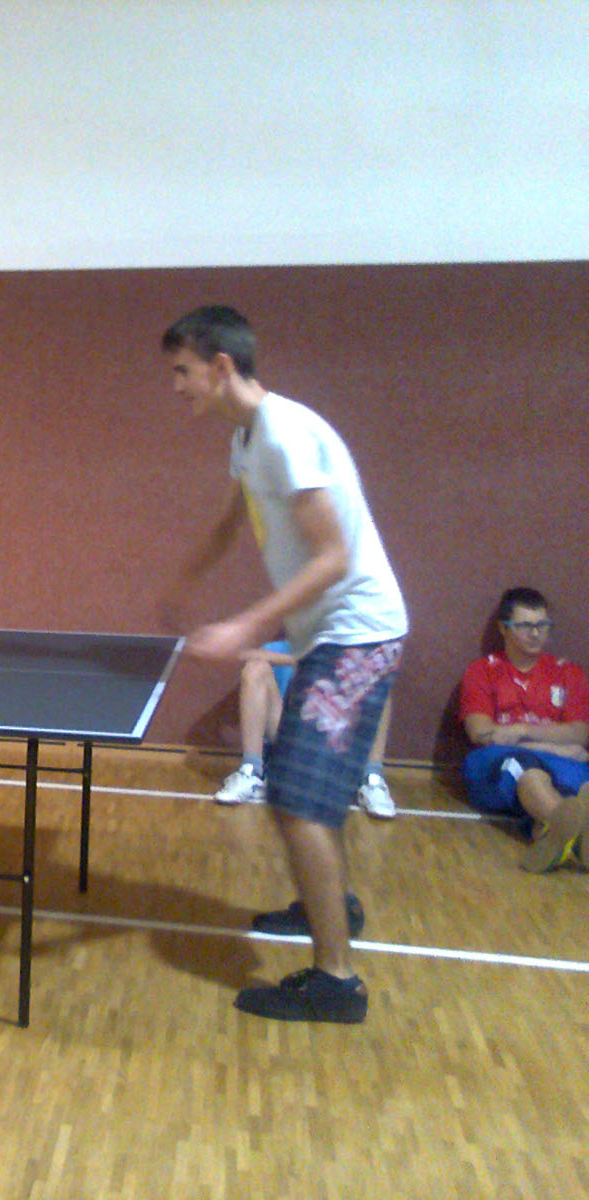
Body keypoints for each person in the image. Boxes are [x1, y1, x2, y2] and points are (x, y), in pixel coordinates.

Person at [164, 305, 407, 1024]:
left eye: (182, 371)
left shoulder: (285, 435)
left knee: (298, 800)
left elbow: (333, 557)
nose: (176, 386)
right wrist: (182, 581)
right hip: (332, 637)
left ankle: (336, 982)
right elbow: (230, 523)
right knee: (302, 796)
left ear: (221, 366)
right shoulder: (248, 440)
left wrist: (247, 623)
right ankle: (328, 904)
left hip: (357, 638)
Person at [458, 586, 589, 872]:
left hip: (557, 762)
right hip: (497, 765)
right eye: (525, 626)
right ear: (503, 628)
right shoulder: (482, 671)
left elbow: (580, 733)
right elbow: (481, 734)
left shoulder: (568, 672)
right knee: (524, 768)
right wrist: (550, 746)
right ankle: (575, 836)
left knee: (581, 782)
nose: (536, 633)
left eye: (543, 625)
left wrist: (518, 732)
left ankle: (546, 831)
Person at [214, 638, 397, 818]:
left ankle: (372, 780)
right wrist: (299, 659)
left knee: (376, 682)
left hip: (331, 742)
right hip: (287, 737)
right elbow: (247, 655)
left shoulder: (345, 652)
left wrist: (310, 660)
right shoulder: (277, 647)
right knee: (255, 668)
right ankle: (251, 771)